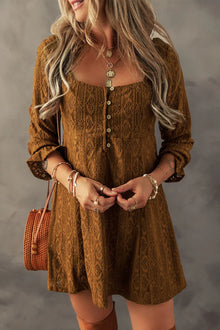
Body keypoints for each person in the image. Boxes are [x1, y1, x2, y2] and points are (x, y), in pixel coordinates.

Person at [26, 0, 194, 329]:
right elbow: (40, 143)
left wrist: (152, 181)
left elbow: (179, 141)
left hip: (144, 226)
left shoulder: (159, 57)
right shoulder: (53, 54)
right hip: (79, 224)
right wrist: (75, 182)